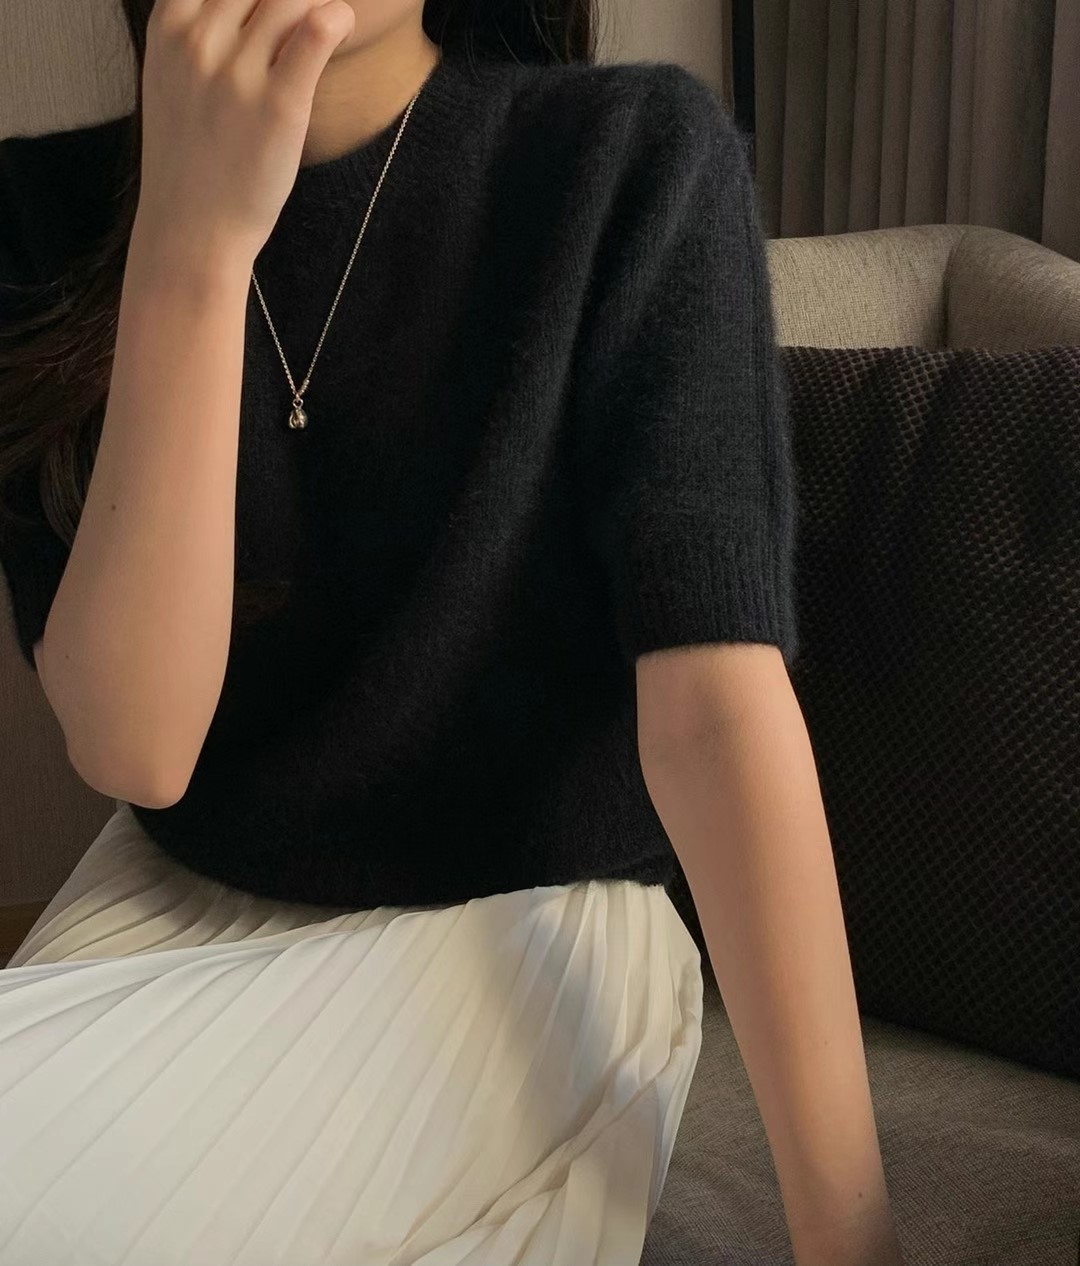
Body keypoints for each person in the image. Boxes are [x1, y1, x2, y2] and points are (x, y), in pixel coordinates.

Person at [0, 1, 905, 1263]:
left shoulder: (627, 157)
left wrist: (851, 1242)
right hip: (168, 902)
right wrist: (188, 250)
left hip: (532, 924)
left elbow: (714, 715)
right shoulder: (39, 212)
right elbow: (136, 747)